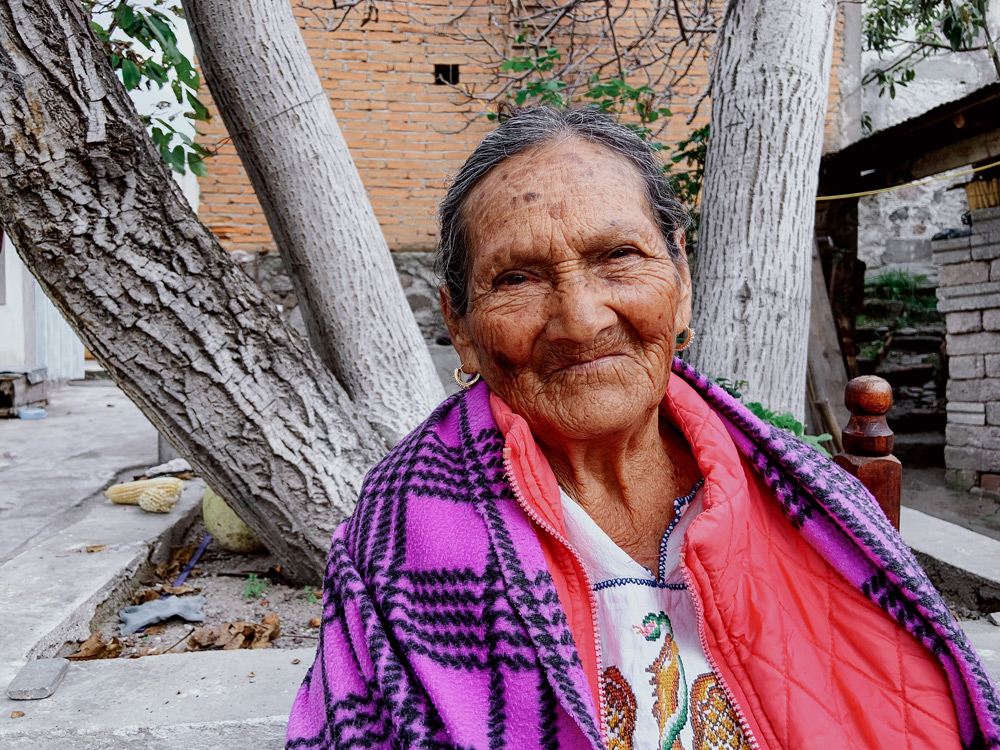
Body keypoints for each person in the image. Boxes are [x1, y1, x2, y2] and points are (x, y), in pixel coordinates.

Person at [286, 107, 1000, 750]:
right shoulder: (394, 544)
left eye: (617, 257)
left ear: (681, 282)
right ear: (460, 327)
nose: (582, 319)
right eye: (517, 280)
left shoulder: (810, 508)